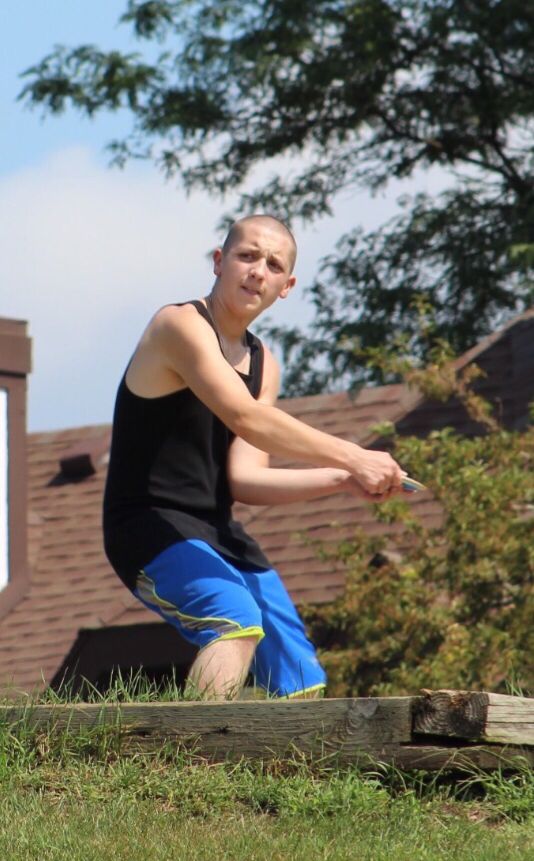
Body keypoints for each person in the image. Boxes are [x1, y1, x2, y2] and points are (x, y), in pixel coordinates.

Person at [103, 214, 406, 701]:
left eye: (273, 265)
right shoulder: (178, 325)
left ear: (286, 287)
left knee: (300, 674)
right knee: (235, 620)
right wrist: (354, 456)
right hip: (148, 525)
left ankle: (298, 754)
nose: (257, 271)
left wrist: (340, 479)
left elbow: (244, 480)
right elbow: (246, 417)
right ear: (219, 262)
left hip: (218, 532)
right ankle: (190, 746)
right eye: (246, 256)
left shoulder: (264, 365)